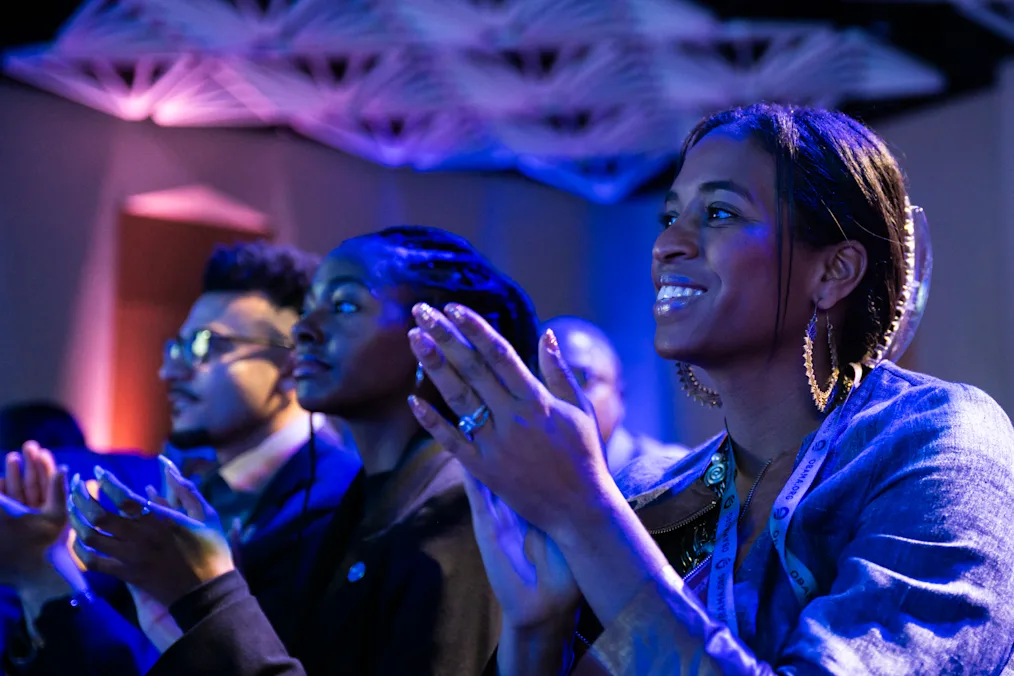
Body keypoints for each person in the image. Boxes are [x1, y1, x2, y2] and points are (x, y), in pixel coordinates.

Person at [405, 104, 1014, 674]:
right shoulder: (650, 494)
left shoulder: (936, 438)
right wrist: (535, 634)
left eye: (719, 213)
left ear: (834, 271)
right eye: (669, 216)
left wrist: (587, 516)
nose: (667, 244)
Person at [67, 225, 540, 675]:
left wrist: (212, 597)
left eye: (345, 306)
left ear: (435, 339)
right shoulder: (371, 497)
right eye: (311, 305)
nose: (304, 330)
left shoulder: (461, 507)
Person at [3, 241, 360, 674]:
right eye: (178, 348)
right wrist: (48, 552)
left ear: (292, 360)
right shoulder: (202, 484)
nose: (170, 373)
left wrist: (43, 574)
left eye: (207, 346)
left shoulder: (336, 505)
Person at [541, 316, 689, 477]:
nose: (556, 396)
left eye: (579, 379)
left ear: (620, 394)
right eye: (540, 383)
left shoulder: (677, 473)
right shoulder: (520, 485)